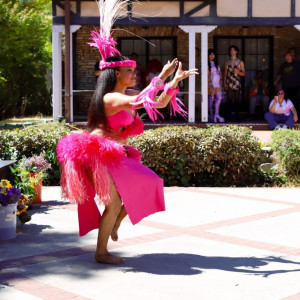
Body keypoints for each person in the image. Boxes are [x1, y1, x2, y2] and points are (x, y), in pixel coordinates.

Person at [57, 1, 198, 265]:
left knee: (148, 184)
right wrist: (162, 76)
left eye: (135, 71)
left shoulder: (128, 93)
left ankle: (114, 226)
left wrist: (174, 82)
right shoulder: (111, 98)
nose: (135, 74)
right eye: (129, 71)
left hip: (114, 153)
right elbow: (140, 101)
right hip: (97, 154)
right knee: (113, 202)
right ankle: (101, 252)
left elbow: (157, 103)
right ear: (115, 75)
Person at [274, 50, 300, 114]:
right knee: (287, 101)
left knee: (295, 101)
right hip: (286, 86)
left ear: (292, 57)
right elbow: (280, 74)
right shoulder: (283, 65)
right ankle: (288, 114)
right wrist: (276, 81)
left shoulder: (297, 64)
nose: (287, 57)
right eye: (286, 56)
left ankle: (296, 115)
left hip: (295, 86)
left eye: (289, 56)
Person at [224, 45, 245, 122]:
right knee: (229, 100)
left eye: (233, 50)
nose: (232, 51)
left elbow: (243, 73)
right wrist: (224, 83)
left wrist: (238, 72)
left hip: (236, 81)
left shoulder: (240, 62)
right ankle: (229, 117)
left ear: (236, 51)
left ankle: (237, 116)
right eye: (231, 50)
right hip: (229, 81)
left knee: (237, 100)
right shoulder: (227, 62)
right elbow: (225, 74)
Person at [208, 48, 224, 122]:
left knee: (219, 97)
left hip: (217, 83)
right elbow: (207, 74)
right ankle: (211, 115)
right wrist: (210, 84)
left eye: (213, 54)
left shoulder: (216, 63)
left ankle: (216, 114)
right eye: (210, 54)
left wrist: (221, 80)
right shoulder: (207, 63)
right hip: (211, 83)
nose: (212, 55)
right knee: (211, 99)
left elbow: (220, 72)